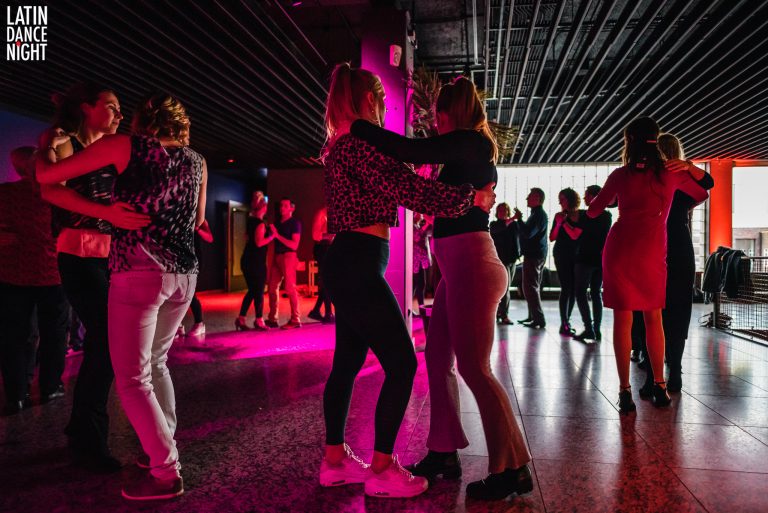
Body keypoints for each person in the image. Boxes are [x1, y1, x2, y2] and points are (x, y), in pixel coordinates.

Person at [352, 76, 532, 501]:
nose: (435, 124)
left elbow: (409, 151)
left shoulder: (471, 143)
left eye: (437, 117)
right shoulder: (467, 148)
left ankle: (513, 468)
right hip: (458, 266)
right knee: (437, 358)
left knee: (475, 367)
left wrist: (358, 127)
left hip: (473, 263)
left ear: (448, 114)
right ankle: (443, 451)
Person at [321, 64, 495, 499]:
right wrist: (470, 197)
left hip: (349, 259)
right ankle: (381, 469)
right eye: (380, 100)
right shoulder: (359, 145)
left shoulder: (341, 144)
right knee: (402, 363)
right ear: (368, 100)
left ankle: (335, 462)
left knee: (347, 363)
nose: (383, 108)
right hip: (359, 261)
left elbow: (401, 174)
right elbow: (411, 191)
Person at [38, 92, 207, 500]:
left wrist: (45, 148)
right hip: (184, 276)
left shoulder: (124, 146)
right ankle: (157, 451)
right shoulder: (197, 160)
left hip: (139, 272)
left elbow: (46, 177)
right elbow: (198, 220)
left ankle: (165, 471)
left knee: (132, 378)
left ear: (141, 121)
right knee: (157, 363)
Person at [37, 82, 150, 472]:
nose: (119, 114)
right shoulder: (67, 143)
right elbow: (50, 189)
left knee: (109, 343)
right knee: (106, 342)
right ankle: (88, 438)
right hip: (81, 254)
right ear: (87, 107)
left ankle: (81, 427)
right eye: (112, 106)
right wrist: (109, 214)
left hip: (113, 256)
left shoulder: (113, 149)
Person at [586, 117, 711, 414]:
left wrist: (613, 201)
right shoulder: (671, 174)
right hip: (652, 252)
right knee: (654, 318)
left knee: (623, 320)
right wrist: (687, 168)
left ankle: (625, 391)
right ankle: (660, 386)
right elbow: (704, 190)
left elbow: (592, 212)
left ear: (629, 142)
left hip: (619, 251)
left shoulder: (620, 175)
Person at [637, 133, 714, 394]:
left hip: (651, 244)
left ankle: (652, 375)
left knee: (650, 310)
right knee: (679, 308)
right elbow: (707, 186)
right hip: (680, 246)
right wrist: (689, 167)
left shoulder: (648, 178)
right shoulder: (685, 181)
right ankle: (676, 372)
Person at [0, 147, 68, 415]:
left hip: (12, 274)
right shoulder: (56, 194)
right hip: (52, 272)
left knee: (14, 336)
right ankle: (50, 387)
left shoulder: (5, 193)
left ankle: (17, 394)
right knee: (54, 333)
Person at [572, 185, 612, 342]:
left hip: (585, 259)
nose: (584, 198)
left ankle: (588, 328)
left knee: (580, 292)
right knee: (596, 293)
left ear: (594, 197)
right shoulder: (607, 216)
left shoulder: (586, 215)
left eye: (587, 195)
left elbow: (576, 234)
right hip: (600, 260)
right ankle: (597, 329)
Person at [236, 191, 275, 331]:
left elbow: (247, 238)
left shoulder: (250, 221)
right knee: (258, 291)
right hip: (256, 262)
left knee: (253, 290)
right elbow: (259, 243)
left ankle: (241, 319)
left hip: (247, 260)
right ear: (264, 208)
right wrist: (272, 236)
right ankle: (259, 320)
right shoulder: (260, 224)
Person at [549, 188, 583, 336]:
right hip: (561, 254)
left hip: (576, 255)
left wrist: (563, 223)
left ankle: (567, 321)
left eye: (562, 199)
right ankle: (564, 323)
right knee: (566, 287)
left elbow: (576, 235)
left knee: (574, 289)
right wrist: (558, 224)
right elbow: (552, 237)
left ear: (570, 199)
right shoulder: (558, 216)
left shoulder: (580, 215)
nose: (560, 202)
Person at [514, 188, 548, 329]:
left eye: (530, 196)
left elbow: (528, 233)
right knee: (531, 286)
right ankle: (533, 317)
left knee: (530, 287)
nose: (527, 198)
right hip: (536, 254)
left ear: (538, 199)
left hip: (534, 256)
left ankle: (538, 319)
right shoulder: (537, 214)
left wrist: (519, 219)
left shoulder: (538, 215)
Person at [266, 198, 302, 330]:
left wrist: (277, 236)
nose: (282, 208)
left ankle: (295, 319)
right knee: (272, 288)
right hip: (277, 257)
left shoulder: (295, 223)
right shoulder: (277, 223)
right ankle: (273, 319)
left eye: (285, 206)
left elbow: (294, 245)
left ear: (292, 208)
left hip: (288, 256)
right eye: (281, 205)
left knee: (290, 288)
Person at [490, 203, 520, 325]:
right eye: (500, 210)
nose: (502, 212)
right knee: (504, 288)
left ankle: (500, 313)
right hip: (500, 260)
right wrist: (513, 218)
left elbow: (518, 239)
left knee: (506, 287)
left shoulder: (514, 225)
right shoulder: (494, 225)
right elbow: (500, 228)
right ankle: (503, 315)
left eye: (505, 210)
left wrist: (519, 254)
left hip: (511, 260)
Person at [181, 219, 213, 339]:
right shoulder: (177, 213)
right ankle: (178, 326)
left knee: (190, 292)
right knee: (178, 291)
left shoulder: (199, 219)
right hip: (179, 256)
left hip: (194, 259)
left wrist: (197, 229)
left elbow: (209, 238)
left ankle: (199, 323)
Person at [308, 206, 334, 323]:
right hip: (323, 248)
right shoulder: (321, 213)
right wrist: (329, 234)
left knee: (328, 281)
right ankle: (327, 313)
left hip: (327, 247)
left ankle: (317, 310)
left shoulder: (331, 214)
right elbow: (315, 235)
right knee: (327, 281)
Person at [411, 213, 433, 315]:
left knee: (418, 284)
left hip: (420, 260)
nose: (422, 215)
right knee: (419, 284)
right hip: (416, 260)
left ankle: (417, 308)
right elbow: (417, 238)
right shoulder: (412, 226)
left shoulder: (418, 226)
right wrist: (427, 224)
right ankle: (420, 309)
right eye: (420, 214)